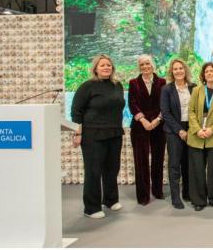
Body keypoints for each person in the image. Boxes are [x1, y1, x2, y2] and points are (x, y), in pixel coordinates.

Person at [71, 54, 125, 219]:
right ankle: (91, 208)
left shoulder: (118, 85)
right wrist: (78, 133)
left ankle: (110, 200)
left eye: (108, 65)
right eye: (102, 65)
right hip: (92, 135)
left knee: (112, 169)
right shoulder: (88, 86)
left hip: (114, 133)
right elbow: (76, 110)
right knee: (93, 171)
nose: (106, 68)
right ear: (95, 68)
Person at [187, 62, 213, 211]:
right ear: (203, 75)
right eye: (206, 71)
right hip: (197, 135)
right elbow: (190, 111)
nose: (209, 73)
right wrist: (197, 129)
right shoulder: (197, 90)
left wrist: (212, 129)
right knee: (196, 169)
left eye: (212, 71)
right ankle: (198, 200)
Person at [128, 54, 166, 206]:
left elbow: (165, 103)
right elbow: (132, 103)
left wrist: (157, 120)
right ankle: (143, 196)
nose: (145, 67)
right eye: (142, 64)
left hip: (159, 125)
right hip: (139, 126)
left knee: (158, 159)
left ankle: (157, 191)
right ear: (139, 67)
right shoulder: (133, 83)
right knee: (141, 161)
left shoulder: (162, 82)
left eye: (147, 63)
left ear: (153, 65)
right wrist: (143, 120)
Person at [160, 58, 195, 209]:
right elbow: (165, 113)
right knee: (175, 165)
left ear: (185, 70)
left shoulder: (194, 87)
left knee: (188, 163)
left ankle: (187, 193)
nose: (178, 71)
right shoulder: (167, 89)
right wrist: (179, 130)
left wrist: (192, 129)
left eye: (181, 68)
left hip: (192, 129)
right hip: (174, 131)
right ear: (172, 72)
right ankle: (176, 197)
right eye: (175, 69)